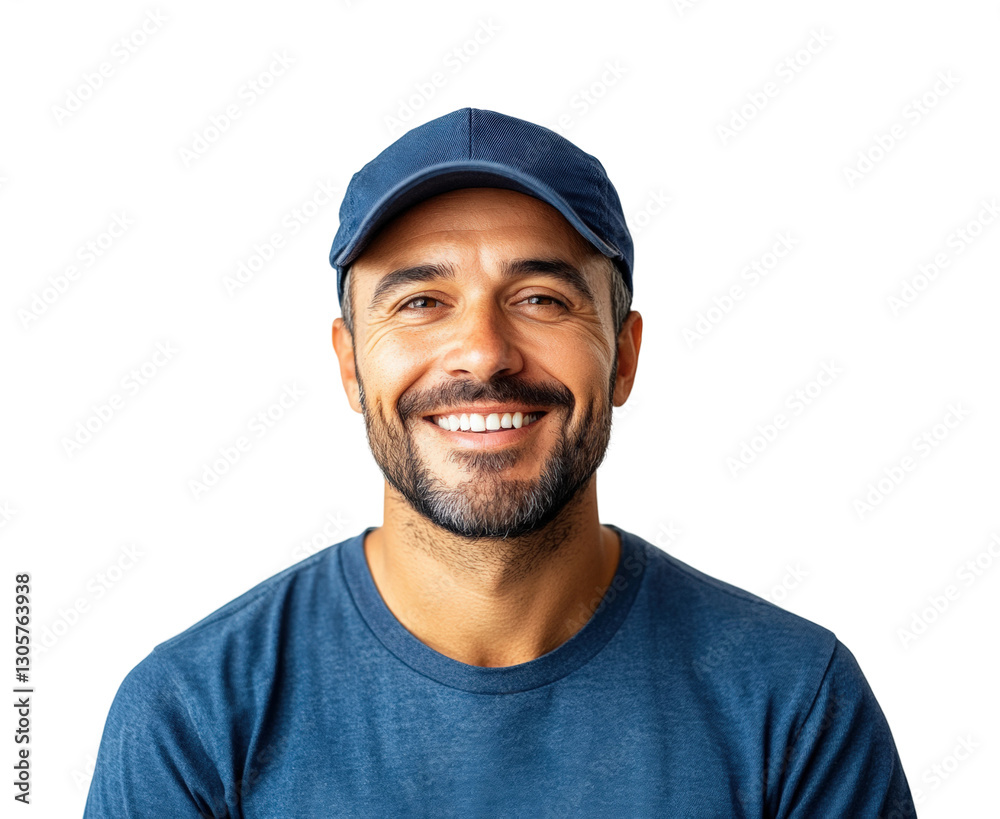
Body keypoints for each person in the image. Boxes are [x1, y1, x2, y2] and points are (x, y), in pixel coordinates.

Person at [84, 107, 916, 817]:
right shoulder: (192, 716)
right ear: (349, 363)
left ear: (623, 357)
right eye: (420, 302)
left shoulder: (795, 704)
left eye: (541, 299)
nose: (482, 351)